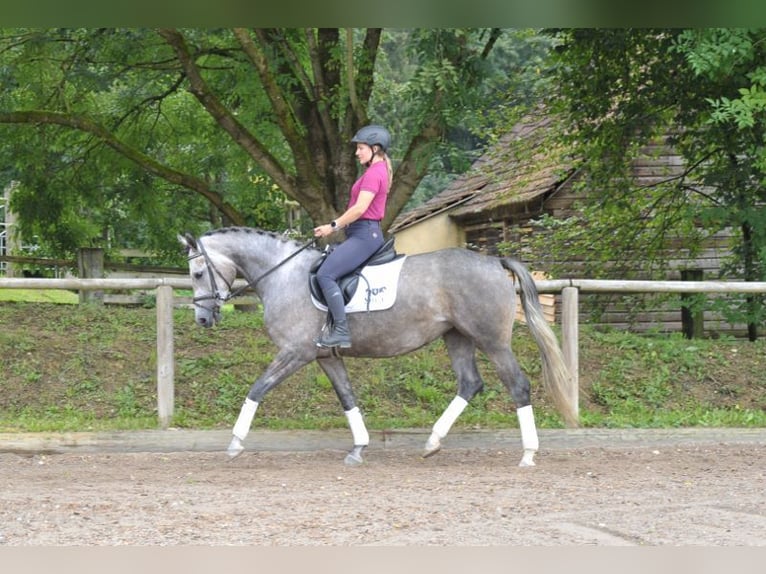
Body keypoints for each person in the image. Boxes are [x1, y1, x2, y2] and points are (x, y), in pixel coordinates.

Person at [313, 124, 393, 349]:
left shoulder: (374, 173)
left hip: (364, 235)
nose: (357, 152)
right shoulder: (375, 171)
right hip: (360, 233)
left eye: (360, 148)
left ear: (375, 148)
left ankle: (341, 331)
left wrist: (332, 226)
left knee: (325, 274)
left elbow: (359, 209)